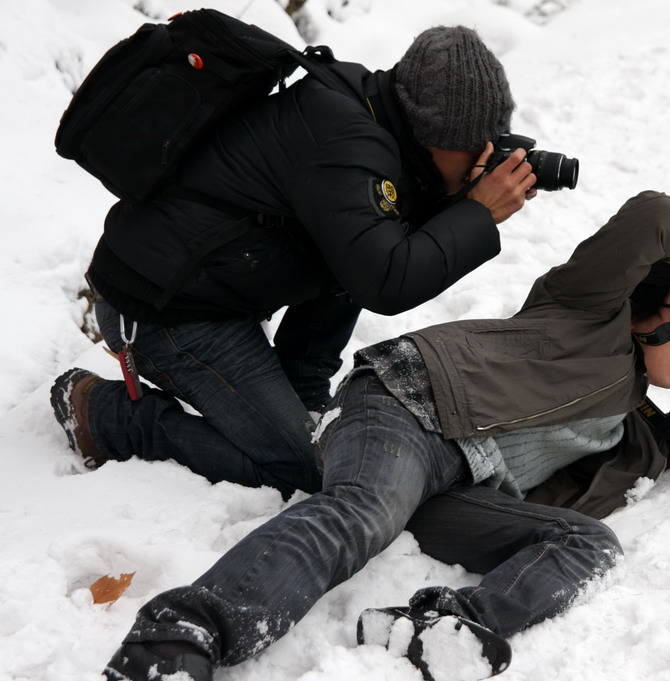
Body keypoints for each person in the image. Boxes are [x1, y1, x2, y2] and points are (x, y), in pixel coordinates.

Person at [99, 190, 670, 681]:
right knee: (363, 511)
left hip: (453, 487)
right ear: (646, 307)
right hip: (407, 407)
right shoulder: (586, 307)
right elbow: (653, 218)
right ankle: (180, 635)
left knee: (590, 544)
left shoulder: (628, 421)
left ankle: (439, 626)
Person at [49, 26, 536, 498]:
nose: (488, 155)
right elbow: (388, 281)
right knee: (313, 470)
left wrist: (460, 201)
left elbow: (367, 254)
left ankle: (301, 391)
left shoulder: (377, 120)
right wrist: (477, 212)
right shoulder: (347, 142)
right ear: (435, 132)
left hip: (209, 289)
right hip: (165, 313)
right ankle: (109, 418)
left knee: (371, 237)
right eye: (477, 145)